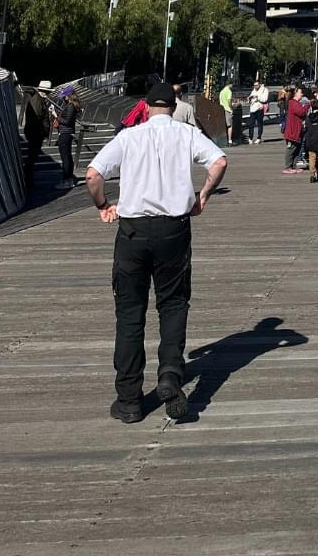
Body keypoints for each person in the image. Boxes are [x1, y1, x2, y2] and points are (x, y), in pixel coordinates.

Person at [85, 83, 227, 423]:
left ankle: (129, 399)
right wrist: (203, 196)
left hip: (133, 231)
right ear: (175, 106)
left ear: (146, 107)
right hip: (174, 229)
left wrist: (104, 204)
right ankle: (170, 375)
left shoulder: (129, 137)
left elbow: (93, 175)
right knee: (173, 304)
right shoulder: (186, 134)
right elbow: (219, 161)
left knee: (130, 313)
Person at [21, 79, 53, 186]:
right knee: (32, 157)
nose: (48, 94)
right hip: (35, 133)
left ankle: (28, 179)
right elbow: (37, 117)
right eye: (47, 92)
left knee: (33, 156)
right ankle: (27, 180)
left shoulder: (39, 100)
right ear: (43, 91)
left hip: (36, 132)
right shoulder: (37, 100)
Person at [56, 88, 83, 188]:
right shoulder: (72, 105)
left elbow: (67, 121)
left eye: (64, 96)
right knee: (68, 157)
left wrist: (56, 116)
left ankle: (66, 181)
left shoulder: (71, 106)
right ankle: (70, 180)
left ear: (68, 96)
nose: (63, 98)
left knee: (65, 158)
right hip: (67, 133)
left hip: (65, 134)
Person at [281, 86, 309, 174]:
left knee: (297, 148)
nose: (302, 94)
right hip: (292, 131)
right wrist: (308, 105)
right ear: (296, 93)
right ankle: (287, 167)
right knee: (291, 148)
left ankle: (293, 166)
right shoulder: (293, 103)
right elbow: (301, 112)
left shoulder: (296, 103)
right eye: (300, 92)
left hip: (296, 129)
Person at [247, 79, 269, 144]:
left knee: (260, 124)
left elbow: (265, 99)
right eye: (254, 85)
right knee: (251, 124)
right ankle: (250, 138)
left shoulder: (265, 90)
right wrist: (249, 98)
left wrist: (257, 97)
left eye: (256, 85)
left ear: (259, 84)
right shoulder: (253, 90)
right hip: (252, 109)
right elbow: (250, 99)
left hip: (260, 109)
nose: (255, 86)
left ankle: (259, 138)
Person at [218, 81, 234, 147]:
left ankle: (223, 139)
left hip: (222, 109)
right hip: (227, 109)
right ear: (229, 85)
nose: (232, 86)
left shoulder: (221, 91)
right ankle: (230, 140)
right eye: (232, 85)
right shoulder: (229, 91)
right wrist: (231, 108)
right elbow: (229, 101)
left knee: (224, 125)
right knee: (229, 126)